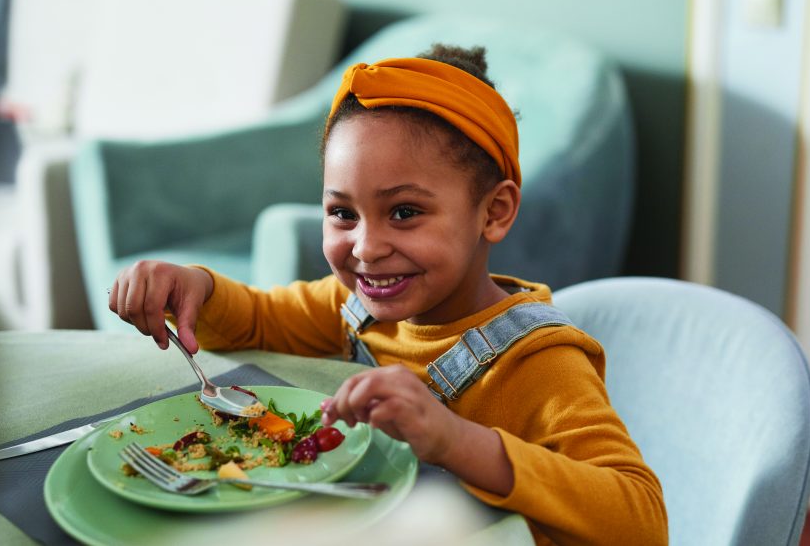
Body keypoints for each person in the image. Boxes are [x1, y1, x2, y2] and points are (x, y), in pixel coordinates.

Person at [110, 44, 667, 545]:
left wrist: (455, 440)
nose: (367, 248)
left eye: (404, 212)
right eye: (342, 213)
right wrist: (195, 287)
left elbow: (642, 521)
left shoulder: (539, 363)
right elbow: (253, 322)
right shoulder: (353, 307)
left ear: (493, 211)